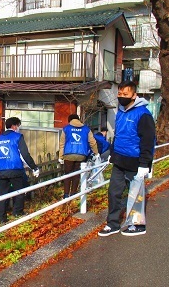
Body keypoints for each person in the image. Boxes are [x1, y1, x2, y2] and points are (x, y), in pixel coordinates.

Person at [98, 80, 155, 237]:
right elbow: (118, 136)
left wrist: (145, 164)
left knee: (136, 194)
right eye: (120, 94)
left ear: (134, 95)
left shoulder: (143, 115)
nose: (122, 96)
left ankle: (137, 224)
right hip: (119, 160)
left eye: (126, 94)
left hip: (136, 161)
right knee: (114, 192)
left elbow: (148, 141)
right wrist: (112, 154)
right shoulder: (121, 112)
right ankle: (113, 223)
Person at [0, 117, 39, 224]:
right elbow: (24, 155)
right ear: (14, 126)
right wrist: (34, 167)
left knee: (3, 195)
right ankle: (17, 212)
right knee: (19, 192)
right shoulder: (18, 137)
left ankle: (2, 218)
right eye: (18, 126)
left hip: (2, 172)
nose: (18, 128)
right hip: (15, 169)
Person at [58, 114, 99, 198]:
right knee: (76, 174)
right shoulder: (86, 129)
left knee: (67, 174)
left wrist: (61, 157)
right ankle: (73, 194)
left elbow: (62, 144)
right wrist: (96, 153)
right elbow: (93, 142)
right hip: (81, 155)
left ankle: (66, 195)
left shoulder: (66, 128)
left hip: (68, 155)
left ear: (69, 120)